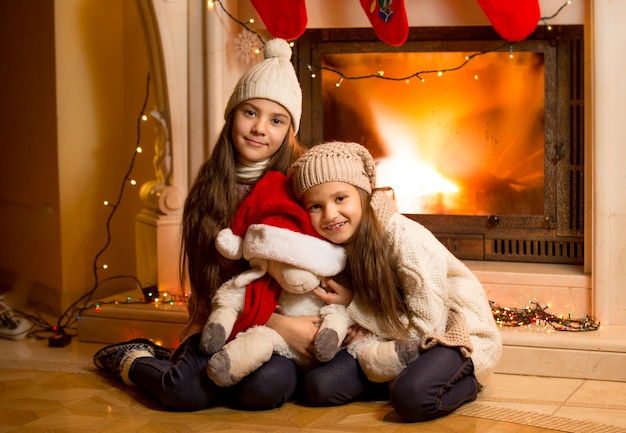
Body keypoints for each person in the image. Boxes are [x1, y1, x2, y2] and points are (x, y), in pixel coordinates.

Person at [93, 38, 310, 411]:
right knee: (184, 393)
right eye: (250, 113)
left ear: (289, 130)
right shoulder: (210, 189)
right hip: (221, 320)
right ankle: (133, 358)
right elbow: (210, 286)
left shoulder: (299, 183)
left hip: (274, 333)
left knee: (265, 389)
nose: (260, 128)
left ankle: (203, 373)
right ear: (232, 115)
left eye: (276, 120)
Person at [287, 141, 503, 422]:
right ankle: (395, 375)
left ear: (363, 194)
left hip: (452, 334)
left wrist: (356, 308)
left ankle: (466, 381)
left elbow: (428, 328)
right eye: (316, 206)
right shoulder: (339, 242)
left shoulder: (404, 239)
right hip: (390, 337)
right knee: (319, 387)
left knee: (412, 398)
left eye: (340, 198)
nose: (330, 215)